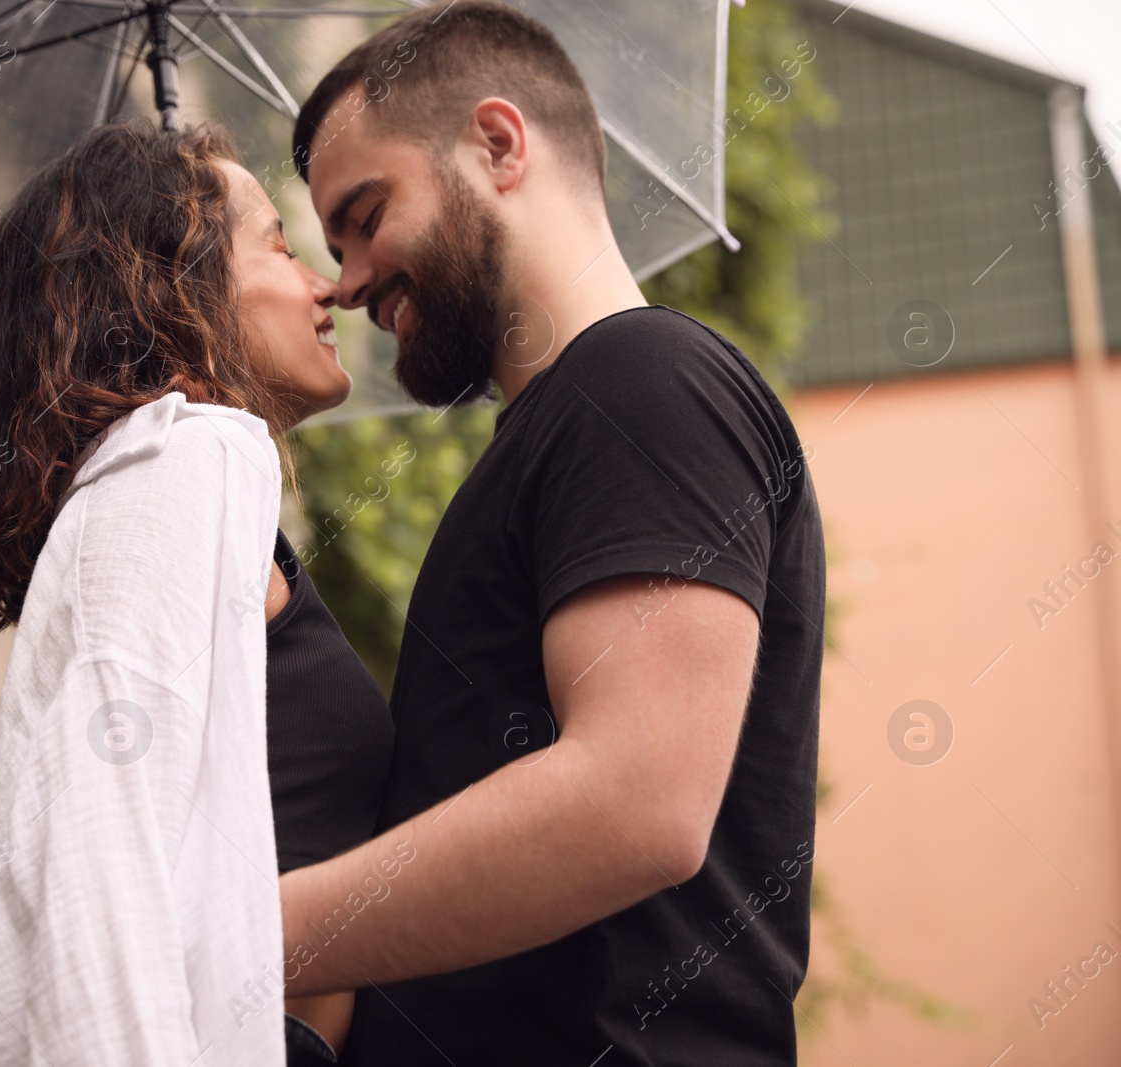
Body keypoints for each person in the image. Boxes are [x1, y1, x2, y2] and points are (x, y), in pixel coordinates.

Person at [276, 3, 827, 1065]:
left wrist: (246, 935)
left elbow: (637, 798)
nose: (346, 281)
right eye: (329, 242)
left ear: (496, 142)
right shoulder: (566, 428)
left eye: (365, 212)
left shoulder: (644, 385)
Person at [0, 121, 392, 1066]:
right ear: (172, 284)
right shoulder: (185, 455)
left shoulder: (183, 484)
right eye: (282, 247)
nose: (328, 285)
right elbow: (97, 852)